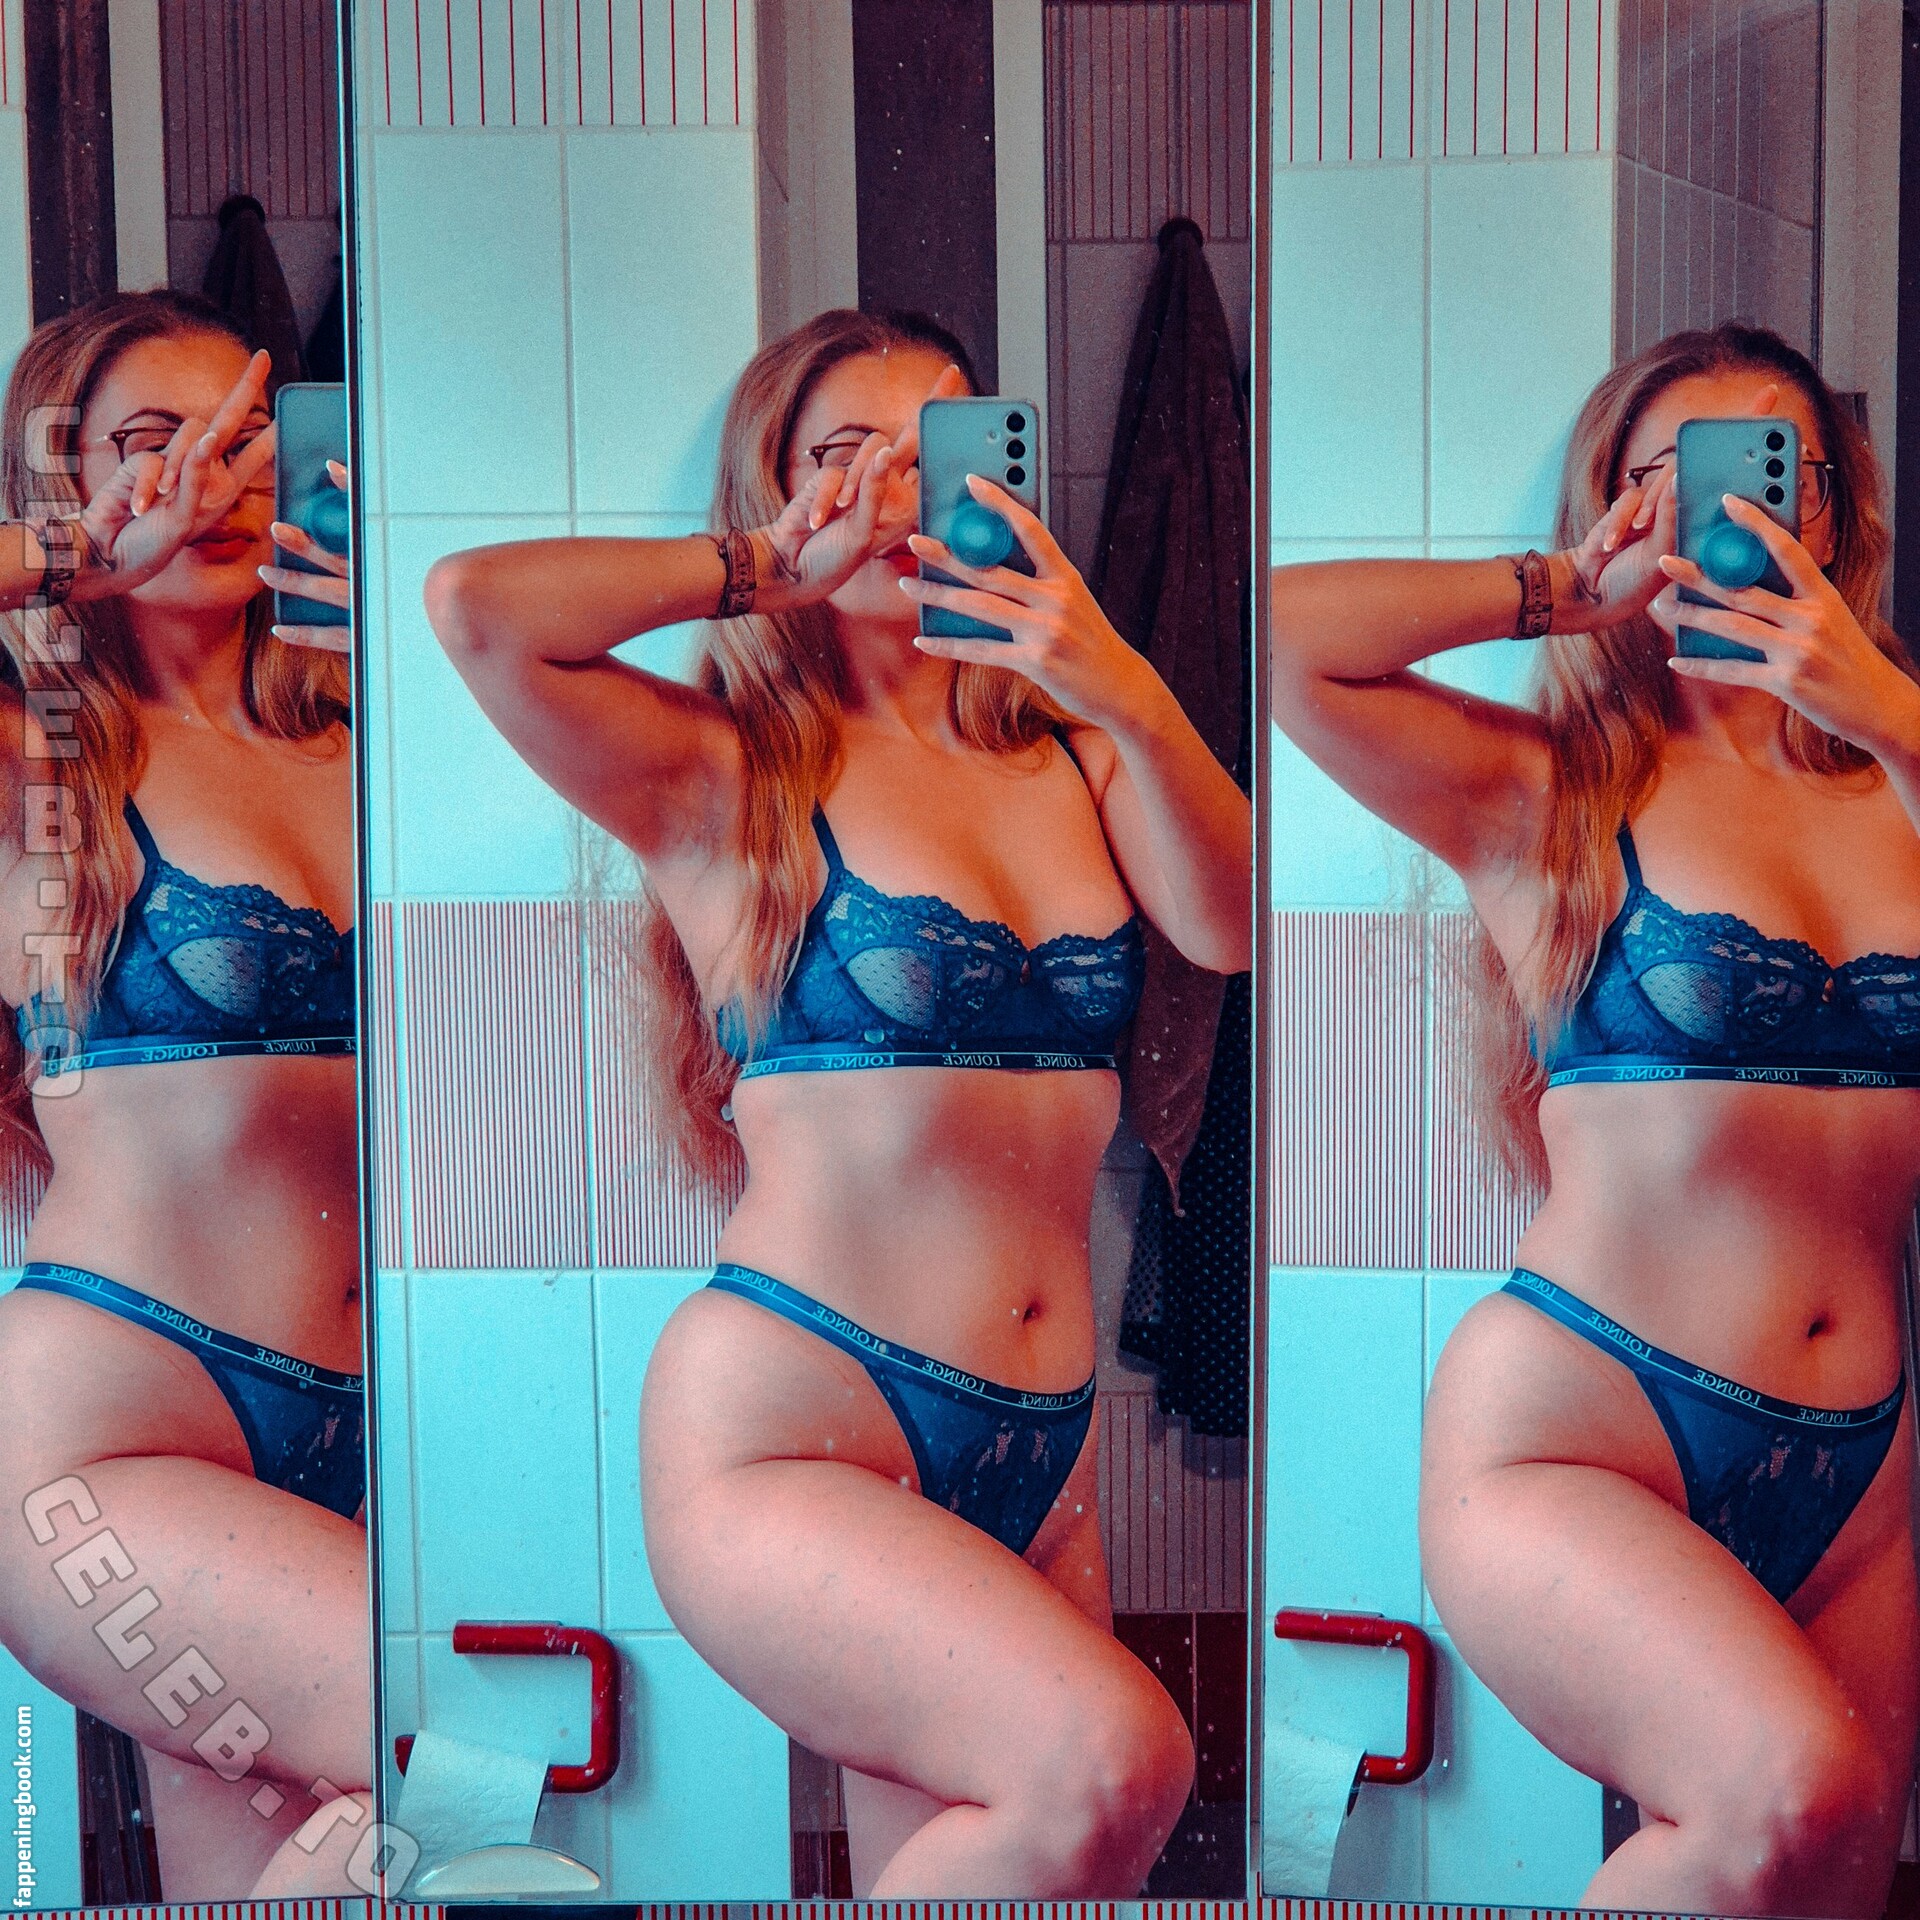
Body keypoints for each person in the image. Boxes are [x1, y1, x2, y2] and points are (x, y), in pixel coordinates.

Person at [423, 308, 1253, 1895]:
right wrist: (761, 567)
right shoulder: (724, 770)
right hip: (798, 1421)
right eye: (840, 457)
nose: (887, 495)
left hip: (1040, 1443)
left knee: (1042, 1867)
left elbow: (1226, 923)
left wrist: (1119, 684)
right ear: (777, 489)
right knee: (1117, 1765)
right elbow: (478, 612)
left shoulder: (1069, 754)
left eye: (926, 452)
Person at [1269, 321, 1920, 1918]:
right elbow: (1285, 642)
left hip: (1857, 1466)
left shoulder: (1903, 775)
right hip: (1583, 1425)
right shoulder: (1548, 788)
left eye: (1776, 472)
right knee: (1788, 1792)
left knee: (1833, 1870)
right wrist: (1563, 588)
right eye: (1674, 476)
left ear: (1836, 510)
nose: (1735, 511)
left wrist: (1886, 710)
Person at [0, 291, 370, 1896]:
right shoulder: (42, 754)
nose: (209, 483)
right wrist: (79, 556)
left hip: (372, 1420)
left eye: (246, 444)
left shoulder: (369, 734)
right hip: (107, 1440)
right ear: (67, 479)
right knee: (465, 1737)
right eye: (156, 445)